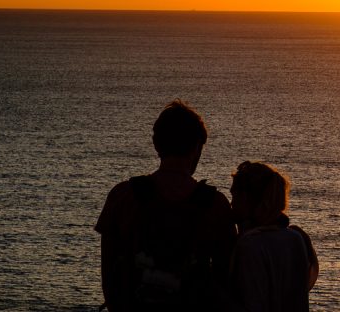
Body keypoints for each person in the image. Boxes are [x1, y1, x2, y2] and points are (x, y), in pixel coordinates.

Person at [95, 99, 236, 312]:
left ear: (156, 144)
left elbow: (110, 280)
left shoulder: (122, 196)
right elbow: (225, 281)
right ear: (197, 147)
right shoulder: (215, 205)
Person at [228, 161, 319, 312]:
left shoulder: (249, 245)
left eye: (235, 196)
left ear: (248, 198)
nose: (231, 204)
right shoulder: (296, 238)